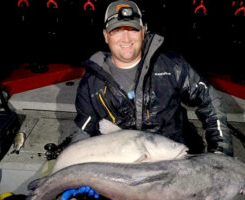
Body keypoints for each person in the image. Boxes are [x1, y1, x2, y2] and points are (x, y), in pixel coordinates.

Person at [61, 0, 233, 198]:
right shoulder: (91, 84)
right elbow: (84, 131)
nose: (126, 38)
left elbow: (209, 101)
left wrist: (221, 152)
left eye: (132, 29)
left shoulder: (171, 66)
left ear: (144, 31)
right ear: (106, 36)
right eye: (117, 31)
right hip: (121, 175)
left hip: (176, 168)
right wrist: (72, 173)